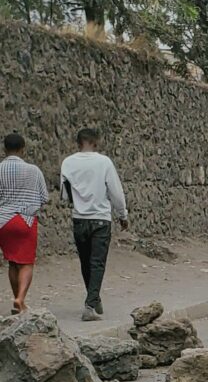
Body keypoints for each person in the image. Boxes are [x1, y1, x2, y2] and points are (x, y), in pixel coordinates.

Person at [62, 127, 129, 318]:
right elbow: (116, 191)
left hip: (79, 218)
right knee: (97, 263)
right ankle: (90, 305)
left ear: (78, 142)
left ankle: (93, 298)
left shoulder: (67, 163)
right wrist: (123, 215)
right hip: (100, 219)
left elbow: (65, 193)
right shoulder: (104, 162)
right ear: (96, 142)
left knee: (85, 262)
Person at [0, 133, 47, 314]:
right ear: (22, 149)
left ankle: (16, 298)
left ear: (5, 149)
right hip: (25, 221)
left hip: (3, 221)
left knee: (12, 262)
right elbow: (44, 197)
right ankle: (20, 298)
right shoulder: (34, 170)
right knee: (26, 263)